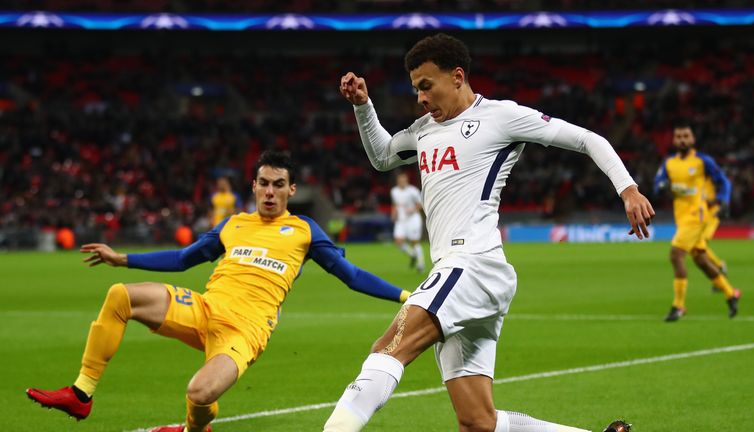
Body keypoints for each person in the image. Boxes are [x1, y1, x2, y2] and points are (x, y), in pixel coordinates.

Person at [327, 33, 653, 432]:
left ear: (458, 77)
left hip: (473, 264)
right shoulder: (425, 129)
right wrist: (363, 106)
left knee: (387, 348)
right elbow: (381, 157)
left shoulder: (501, 117)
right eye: (415, 89)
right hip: (460, 273)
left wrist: (628, 188)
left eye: (426, 86)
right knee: (478, 422)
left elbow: (587, 139)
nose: (420, 99)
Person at [26, 151, 411, 432]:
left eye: (279, 185)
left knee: (198, 393)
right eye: (264, 183)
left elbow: (351, 275)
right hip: (204, 308)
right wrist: (121, 258)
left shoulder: (305, 230)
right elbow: (182, 258)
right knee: (121, 295)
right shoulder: (233, 224)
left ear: (292, 189)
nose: (270, 192)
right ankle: (81, 394)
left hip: (243, 333)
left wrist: (405, 297)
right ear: (254, 186)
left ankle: (194, 431)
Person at [653, 124, 740, 322]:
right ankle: (730, 293)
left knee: (676, 255)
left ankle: (678, 306)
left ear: (693, 139)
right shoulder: (668, 164)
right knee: (700, 258)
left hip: (696, 216)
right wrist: (662, 186)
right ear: (674, 140)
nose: (682, 140)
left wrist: (724, 200)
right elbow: (656, 186)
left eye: (686, 136)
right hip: (681, 217)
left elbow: (724, 181)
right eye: (679, 136)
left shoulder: (703, 161)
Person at [390, 171, 425, 272]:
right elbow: (395, 204)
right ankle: (412, 254)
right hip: (401, 220)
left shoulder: (413, 191)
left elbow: (420, 204)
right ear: (398, 181)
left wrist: (412, 210)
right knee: (398, 241)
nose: (402, 181)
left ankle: (421, 264)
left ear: (407, 180)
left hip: (413, 219)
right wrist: (393, 213)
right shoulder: (394, 191)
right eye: (400, 180)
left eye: (404, 180)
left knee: (414, 242)